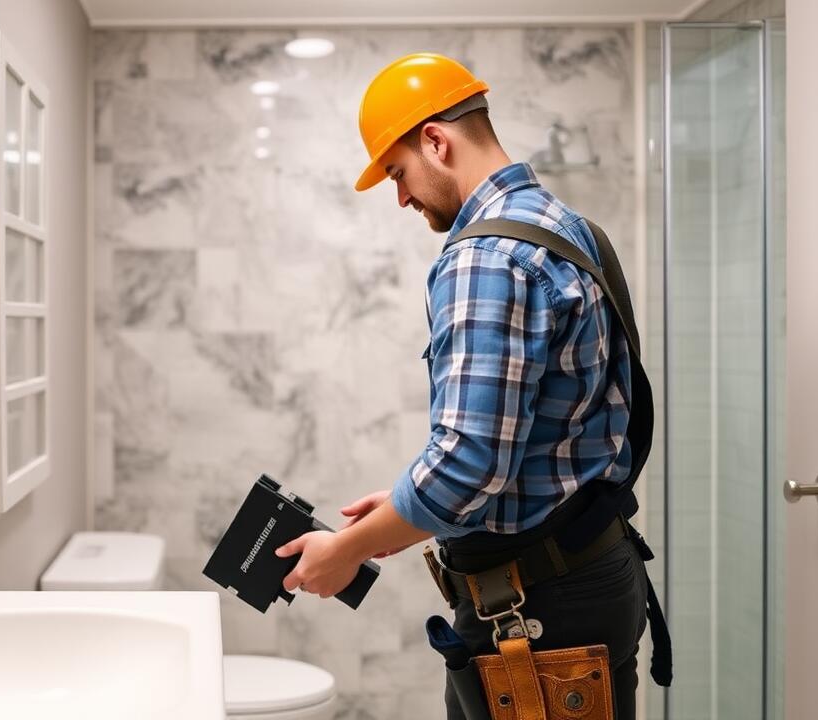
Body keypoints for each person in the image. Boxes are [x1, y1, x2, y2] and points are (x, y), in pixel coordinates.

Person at [273, 53, 663, 719]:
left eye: (398, 172)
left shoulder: (484, 256)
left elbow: (467, 464)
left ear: (435, 139)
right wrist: (404, 515)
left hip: (542, 610)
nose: (400, 197)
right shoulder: (568, 227)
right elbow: (534, 436)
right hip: (592, 575)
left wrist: (343, 552)